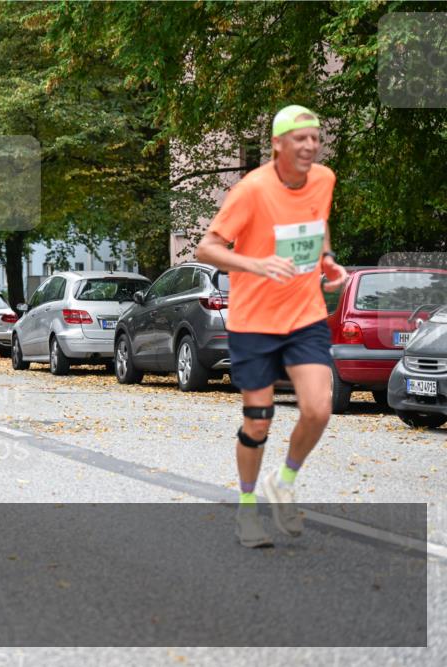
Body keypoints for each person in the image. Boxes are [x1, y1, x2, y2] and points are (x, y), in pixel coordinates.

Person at [196, 104, 349, 548]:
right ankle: (247, 509)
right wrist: (256, 264)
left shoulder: (324, 179)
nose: (310, 145)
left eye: (315, 138)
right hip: (255, 322)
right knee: (258, 420)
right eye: (300, 138)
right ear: (277, 144)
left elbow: (318, 223)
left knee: (318, 409)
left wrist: (327, 260)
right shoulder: (252, 190)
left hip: (305, 315)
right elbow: (207, 248)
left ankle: (283, 481)